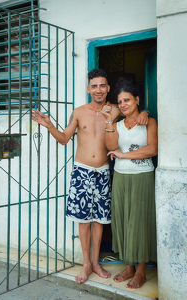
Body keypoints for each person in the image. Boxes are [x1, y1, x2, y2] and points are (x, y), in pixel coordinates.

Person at [32, 69, 149, 284]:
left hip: (103, 171)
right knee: (83, 221)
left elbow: (133, 112)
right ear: (88, 89)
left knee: (99, 220)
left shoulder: (115, 110)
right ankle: (86, 264)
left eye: (102, 85)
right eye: (94, 86)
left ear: (108, 88)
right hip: (81, 171)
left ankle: (96, 262)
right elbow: (64, 139)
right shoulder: (79, 112)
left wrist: (145, 113)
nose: (98, 90)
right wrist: (49, 126)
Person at [101, 77, 158, 289]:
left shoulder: (149, 122)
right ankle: (129, 267)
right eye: (120, 101)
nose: (124, 104)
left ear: (137, 99)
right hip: (121, 178)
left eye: (128, 99)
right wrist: (108, 120)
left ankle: (141, 271)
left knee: (139, 222)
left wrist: (124, 155)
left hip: (142, 176)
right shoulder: (117, 124)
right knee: (123, 221)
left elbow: (152, 150)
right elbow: (112, 145)